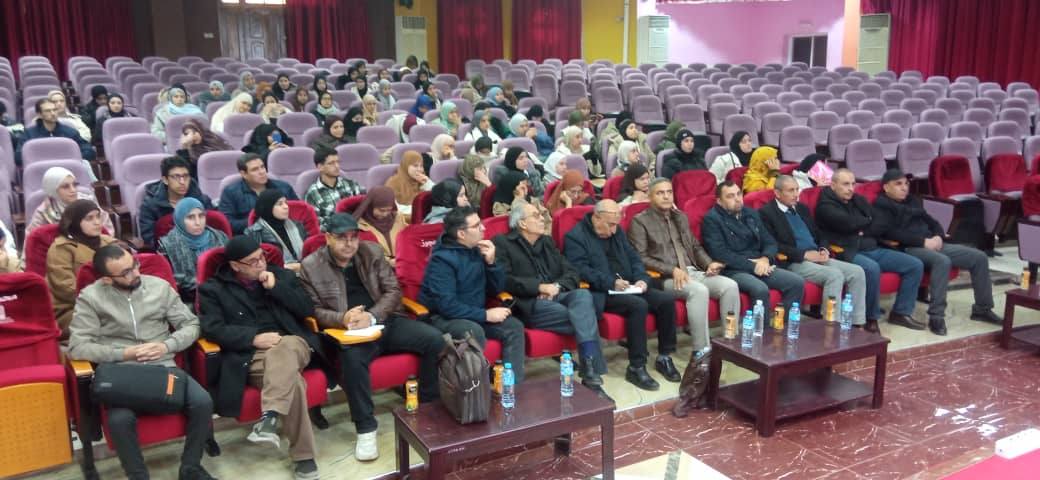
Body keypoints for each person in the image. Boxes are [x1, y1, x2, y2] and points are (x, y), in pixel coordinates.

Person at [299, 213, 444, 460]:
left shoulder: (372, 252)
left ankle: (428, 406)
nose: (349, 244)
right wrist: (343, 318)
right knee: (352, 361)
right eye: (342, 238)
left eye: (354, 237)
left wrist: (373, 316)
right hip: (348, 332)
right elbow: (312, 310)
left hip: (384, 321)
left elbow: (393, 290)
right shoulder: (311, 266)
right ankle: (366, 429)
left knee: (434, 339)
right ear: (328, 238)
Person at [69, 244, 215, 480]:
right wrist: (124, 353)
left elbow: (191, 324)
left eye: (135, 265)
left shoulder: (159, 287)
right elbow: (78, 346)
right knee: (120, 419)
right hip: (123, 374)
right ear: (107, 279)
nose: (136, 273)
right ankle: (138, 476)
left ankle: (190, 468)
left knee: (202, 401)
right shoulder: (91, 298)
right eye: (126, 272)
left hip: (163, 366)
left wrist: (167, 345)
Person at [198, 236, 326, 480]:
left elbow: (307, 309)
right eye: (252, 261)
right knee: (293, 383)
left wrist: (276, 288)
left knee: (285, 346)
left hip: (294, 344)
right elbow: (212, 329)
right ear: (235, 266)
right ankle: (302, 455)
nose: (260, 264)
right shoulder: (213, 290)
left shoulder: (282, 276)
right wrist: (252, 338)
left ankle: (271, 417)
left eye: (262, 257)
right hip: (253, 355)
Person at [494, 203, 611, 399]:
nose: (543, 218)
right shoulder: (503, 243)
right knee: (585, 317)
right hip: (531, 304)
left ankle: (591, 374)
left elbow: (572, 272)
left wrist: (556, 287)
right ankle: (592, 378)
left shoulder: (547, 242)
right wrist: (538, 287)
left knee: (583, 296)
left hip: (558, 295)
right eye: (536, 215)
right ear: (522, 223)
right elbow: (504, 280)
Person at [564, 200, 680, 391]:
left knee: (666, 300)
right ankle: (636, 366)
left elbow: (634, 258)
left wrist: (642, 278)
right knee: (638, 305)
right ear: (597, 217)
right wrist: (611, 282)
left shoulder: (616, 231)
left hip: (629, 286)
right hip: (602, 291)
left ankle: (664, 356)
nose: (613, 230)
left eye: (616, 224)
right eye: (610, 224)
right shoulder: (575, 237)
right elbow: (580, 270)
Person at [870, 168, 1002, 334]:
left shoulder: (912, 201)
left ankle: (982, 309)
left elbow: (932, 222)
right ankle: (936, 316)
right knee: (942, 261)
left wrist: (938, 236)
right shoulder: (880, 205)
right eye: (898, 184)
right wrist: (923, 242)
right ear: (886, 187)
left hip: (932, 242)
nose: (904, 188)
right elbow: (889, 232)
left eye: (906, 184)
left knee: (979, 257)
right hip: (908, 248)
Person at [629, 179, 741, 351]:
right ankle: (702, 350)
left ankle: (731, 342)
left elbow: (695, 246)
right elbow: (640, 257)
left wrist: (709, 263)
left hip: (692, 271)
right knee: (699, 291)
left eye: (669, 192)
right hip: (665, 277)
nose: (666, 196)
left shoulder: (680, 216)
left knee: (730, 286)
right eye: (660, 193)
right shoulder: (640, 221)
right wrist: (672, 270)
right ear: (650, 196)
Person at [419, 206, 527, 382]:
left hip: (472, 313)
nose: (483, 228)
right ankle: (476, 390)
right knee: (472, 332)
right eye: (477, 226)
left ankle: (510, 386)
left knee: (513, 326)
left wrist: (491, 263)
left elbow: (496, 290)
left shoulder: (477, 250)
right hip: (443, 318)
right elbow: (447, 306)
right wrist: (485, 315)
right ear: (461, 234)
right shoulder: (442, 261)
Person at [815, 169, 925, 331]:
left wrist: (862, 226)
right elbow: (848, 223)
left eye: (853, 184)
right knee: (872, 268)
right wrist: (865, 222)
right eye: (845, 184)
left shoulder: (857, 199)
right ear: (833, 185)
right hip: (847, 251)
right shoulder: (825, 206)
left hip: (872, 246)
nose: (851, 188)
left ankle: (901, 313)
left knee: (914, 264)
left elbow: (880, 221)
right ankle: (870, 318)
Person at [759, 175, 869, 330]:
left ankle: (857, 324)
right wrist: (803, 255)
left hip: (817, 256)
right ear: (777, 193)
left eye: (797, 190)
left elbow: (819, 233)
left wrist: (823, 249)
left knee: (857, 272)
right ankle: (831, 326)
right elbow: (772, 244)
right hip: (794, 261)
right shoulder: (766, 213)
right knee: (834, 275)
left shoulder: (801, 208)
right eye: (790, 191)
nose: (796, 194)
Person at [701, 181, 805, 312]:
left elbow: (770, 241)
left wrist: (765, 259)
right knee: (760, 289)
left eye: (739, 194)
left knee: (796, 282)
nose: (737, 199)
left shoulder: (751, 213)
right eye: (730, 196)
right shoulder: (712, 219)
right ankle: (760, 326)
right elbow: (720, 253)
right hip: (733, 269)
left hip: (761, 264)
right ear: (719, 201)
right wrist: (752, 266)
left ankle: (783, 323)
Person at [46, 200, 118, 336]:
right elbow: (66, 289)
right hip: (73, 309)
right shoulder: (61, 249)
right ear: (75, 222)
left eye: (98, 216)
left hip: (114, 301)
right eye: (89, 218)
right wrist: (105, 301)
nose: (97, 222)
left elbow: (127, 272)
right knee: (115, 321)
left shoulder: (109, 243)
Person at [158, 197, 229, 303]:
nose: (198, 222)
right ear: (180, 219)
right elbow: (171, 281)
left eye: (201, 216)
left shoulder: (220, 237)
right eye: (190, 217)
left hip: (224, 292)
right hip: (188, 299)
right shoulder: (167, 246)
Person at [138, 156, 215, 247]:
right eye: (176, 177)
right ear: (165, 180)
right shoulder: (150, 205)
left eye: (185, 176)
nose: (182, 182)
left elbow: (214, 229)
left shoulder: (202, 200)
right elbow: (150, 239)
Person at [220, 153, 298, 234]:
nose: (262, 172)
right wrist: (259, 221)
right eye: (255, 170)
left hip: (285, 231)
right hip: (250, 235)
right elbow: (228, 223)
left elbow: (298, 211)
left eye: (262, 167)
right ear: (244, 174)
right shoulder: (230, 192)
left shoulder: (283, 187)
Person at [27, 165, 113, 236]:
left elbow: (107, 231)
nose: (73, 190)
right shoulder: (44, 212)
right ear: (53, 190)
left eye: (74, 185)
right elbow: (31, 239)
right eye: (65, 187)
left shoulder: (88, 202)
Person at [245, 189, 310, 270]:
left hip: (305, 270)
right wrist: (287, 267)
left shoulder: (297, 225)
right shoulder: (254, 232)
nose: (286, 207)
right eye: (280, 204)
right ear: (268, 207)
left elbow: (309, 252)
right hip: (276, 274)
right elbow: (256, 265)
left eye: (286, 202)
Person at [17, 99, 96, 165]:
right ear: (39, 114)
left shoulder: (70, 132)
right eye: (48, 111)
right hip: (41, 170)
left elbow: (88, 151)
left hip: (68, 169)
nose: (53, 113)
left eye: (54, 110)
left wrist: (72, 158)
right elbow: (19, 156)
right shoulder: (29, 134)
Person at [304, 147, 365, 226]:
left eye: (338, 162)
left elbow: (364, 206)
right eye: (331, 163)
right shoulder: (313, 194)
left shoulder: (351, 184)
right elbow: (315, 223)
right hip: (334, 231)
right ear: (320, 167)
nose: (337, 166)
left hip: (358, 226)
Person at [353, 186, 408, 263]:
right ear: (370, 206)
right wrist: (390, 262)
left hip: (402, 262)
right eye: (381, 210)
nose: (385, 214)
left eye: (389, 210)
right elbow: (367, 253)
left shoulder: (398, 218)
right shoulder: (361, 225)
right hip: (377, 266)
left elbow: (408, 241)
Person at [385, 151, 433, 216]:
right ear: (406, 166)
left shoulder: (422, 180)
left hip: (424, 216)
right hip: (404, 218)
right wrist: (419, 209)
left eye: (421, 166)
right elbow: (394, 208)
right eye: (415, 166)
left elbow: (438, 198)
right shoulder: (393, 183)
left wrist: (427, 183)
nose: (419, 169)